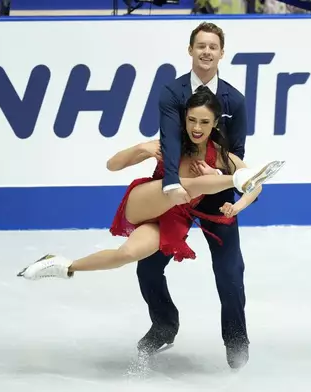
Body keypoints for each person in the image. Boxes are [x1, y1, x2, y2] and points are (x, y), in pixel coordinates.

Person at [16, 86, 284, 281]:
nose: (197, 127)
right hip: (147, 200)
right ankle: (233, 179)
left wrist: (238, 208)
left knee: (127, 254)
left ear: (214, 124)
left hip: (174, 217)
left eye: (204, 122)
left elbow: (257, 185)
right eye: (192, 120)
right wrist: (141, 149)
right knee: (196, 184)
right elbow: (112, 165)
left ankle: (62, 265)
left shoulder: (223, 155)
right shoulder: (170, 143)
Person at [136, 22, 253, 369]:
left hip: (216, 193)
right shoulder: (172, 93)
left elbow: (239, 151)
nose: (206, 52)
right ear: (190, 50)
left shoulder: (235, 100)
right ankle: (164, 324)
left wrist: (223, 178)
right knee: (148, 266)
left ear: (221, 53)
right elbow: (171, 141)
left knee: (230, 273)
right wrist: (173, 185)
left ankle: (236, 341)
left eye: (212, 47)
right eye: (200, 45)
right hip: (179, 191)